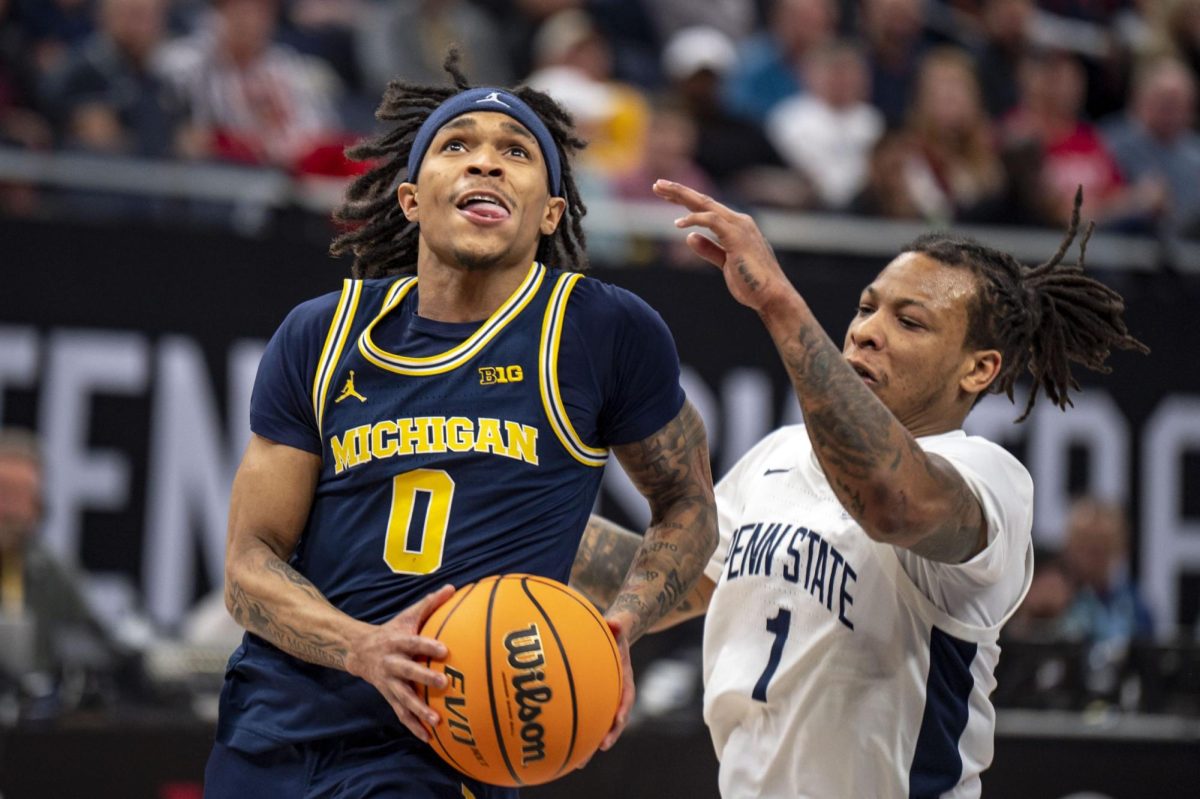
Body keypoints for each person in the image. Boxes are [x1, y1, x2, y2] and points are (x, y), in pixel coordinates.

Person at [205, 54, 718, 799]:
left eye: (516, 151)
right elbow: (249, 568)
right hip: (272, 728)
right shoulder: (320, 334)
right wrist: (364, 648)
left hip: (447, 741)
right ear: (411, 199)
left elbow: (688, 502)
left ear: (550, 213)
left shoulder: (599, 330)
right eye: (458, 145)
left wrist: (620, 628)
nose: (487, 162)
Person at [570, 183, 1148, 797]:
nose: (868, 332)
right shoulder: (780, 454)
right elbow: (677, 579)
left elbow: (888, 501)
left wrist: (777, 299)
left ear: (977, 369)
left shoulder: (988, 480)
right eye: (867, 307)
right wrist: (513, 512)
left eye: (909, 321)